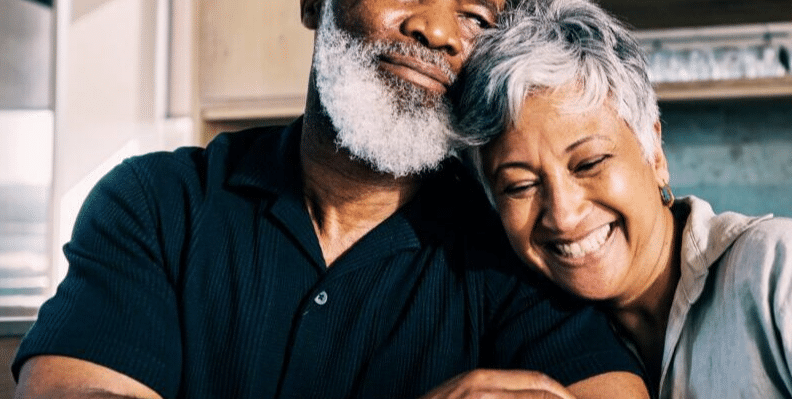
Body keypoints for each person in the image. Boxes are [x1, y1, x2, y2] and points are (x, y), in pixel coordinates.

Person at [10, 0, 649, 398]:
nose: (435, 30)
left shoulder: (508, 244)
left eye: (476, 17)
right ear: (315, 1)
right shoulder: (155, 203)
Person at [452, 0, 792, 397]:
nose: (563, 214)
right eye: (520, 185)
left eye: (590, 163)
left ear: (654, 149)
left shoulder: (778, 269)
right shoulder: (540, 328)